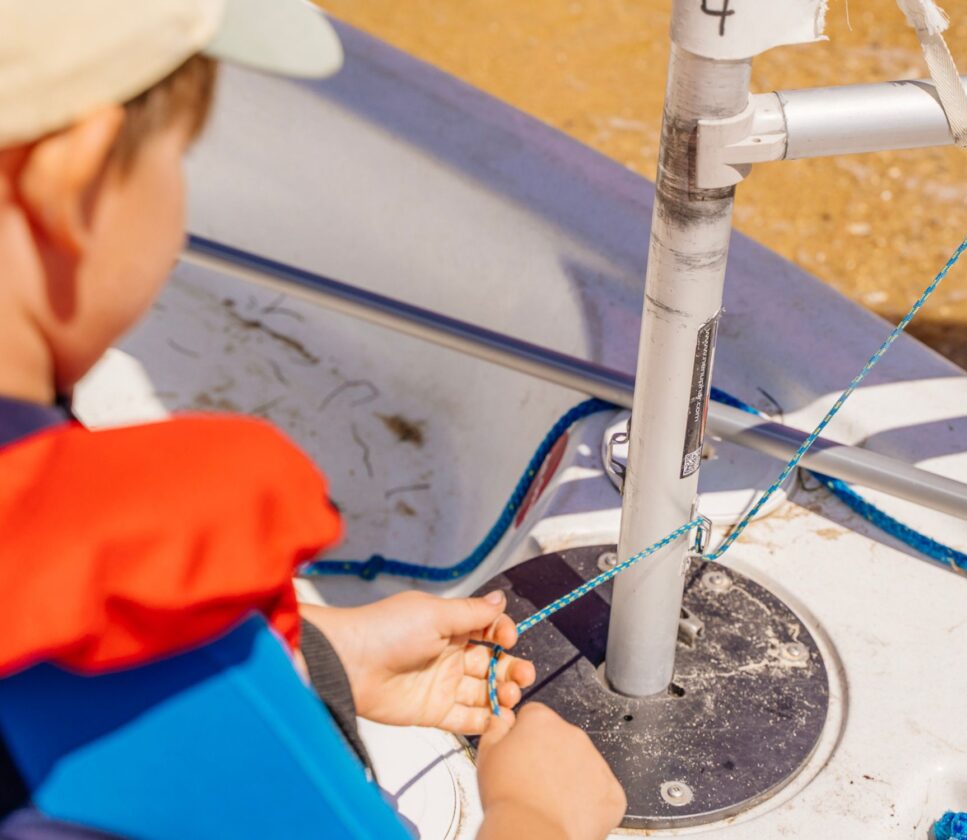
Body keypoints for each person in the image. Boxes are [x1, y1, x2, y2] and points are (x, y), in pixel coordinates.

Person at [0, 1, 626, 838]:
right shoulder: (140, 663)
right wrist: (540, 815)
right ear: (74, 182)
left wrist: (314, 658)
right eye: (176, 158)